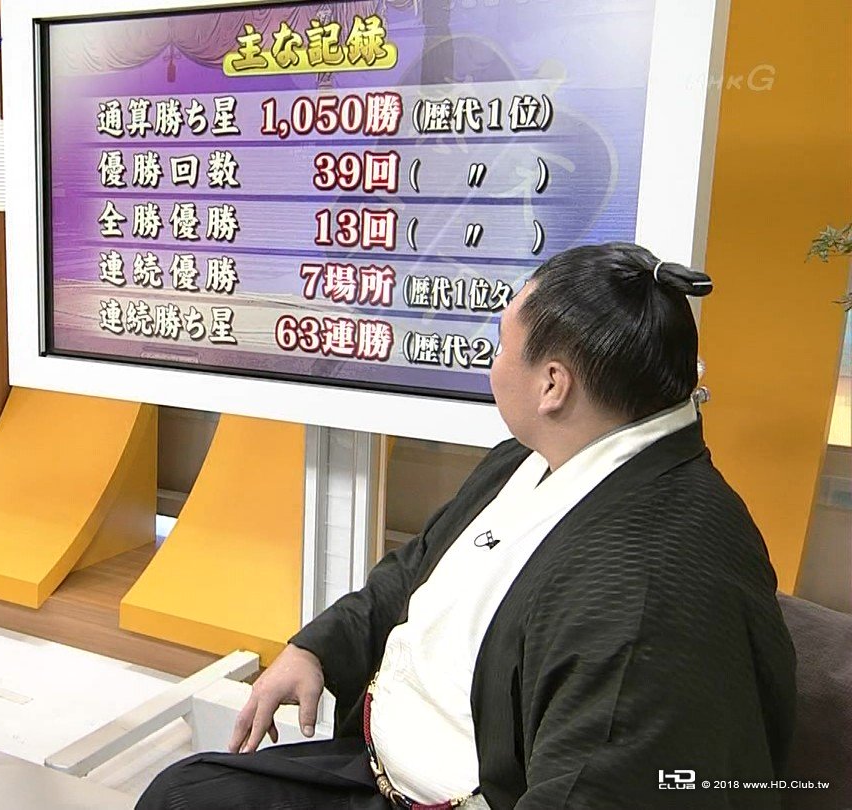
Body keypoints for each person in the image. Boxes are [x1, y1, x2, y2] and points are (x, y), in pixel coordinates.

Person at [138, 243, 797, 809]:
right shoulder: (532, 458)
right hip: (378, 766)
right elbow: (415, 571)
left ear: (553, 385)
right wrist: (318, 647)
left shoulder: (647, 586)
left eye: (502, 344)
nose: (492, 362)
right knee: (185, 794)